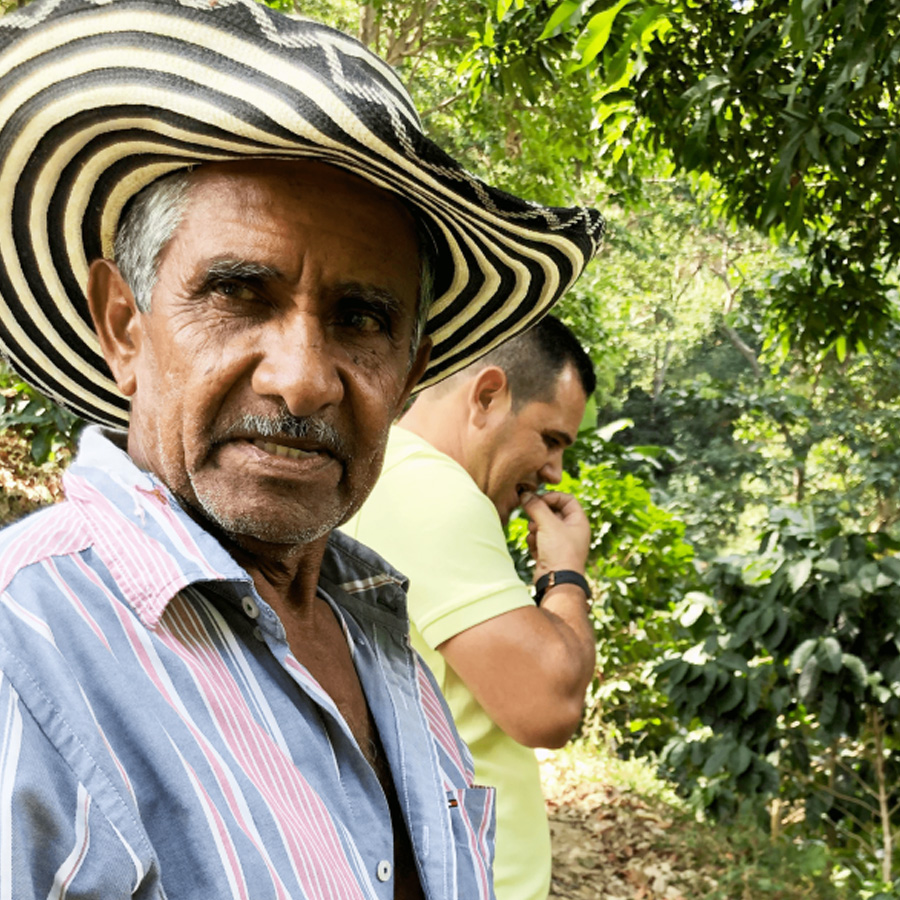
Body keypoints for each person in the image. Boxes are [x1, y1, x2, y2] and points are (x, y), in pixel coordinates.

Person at [0, 0, 605, 896]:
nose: (302, 379)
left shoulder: (374, 631)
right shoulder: (25, 650)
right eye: (240, 292)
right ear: (123, 326)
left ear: (408, 371)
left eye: (362, 317)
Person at [342, 315, 598, 900]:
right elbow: (549, 706)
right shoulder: (432, 491)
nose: (555, 470)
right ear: (487, 396)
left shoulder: (387, 472)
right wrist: (565, 575)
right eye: (551, 438)